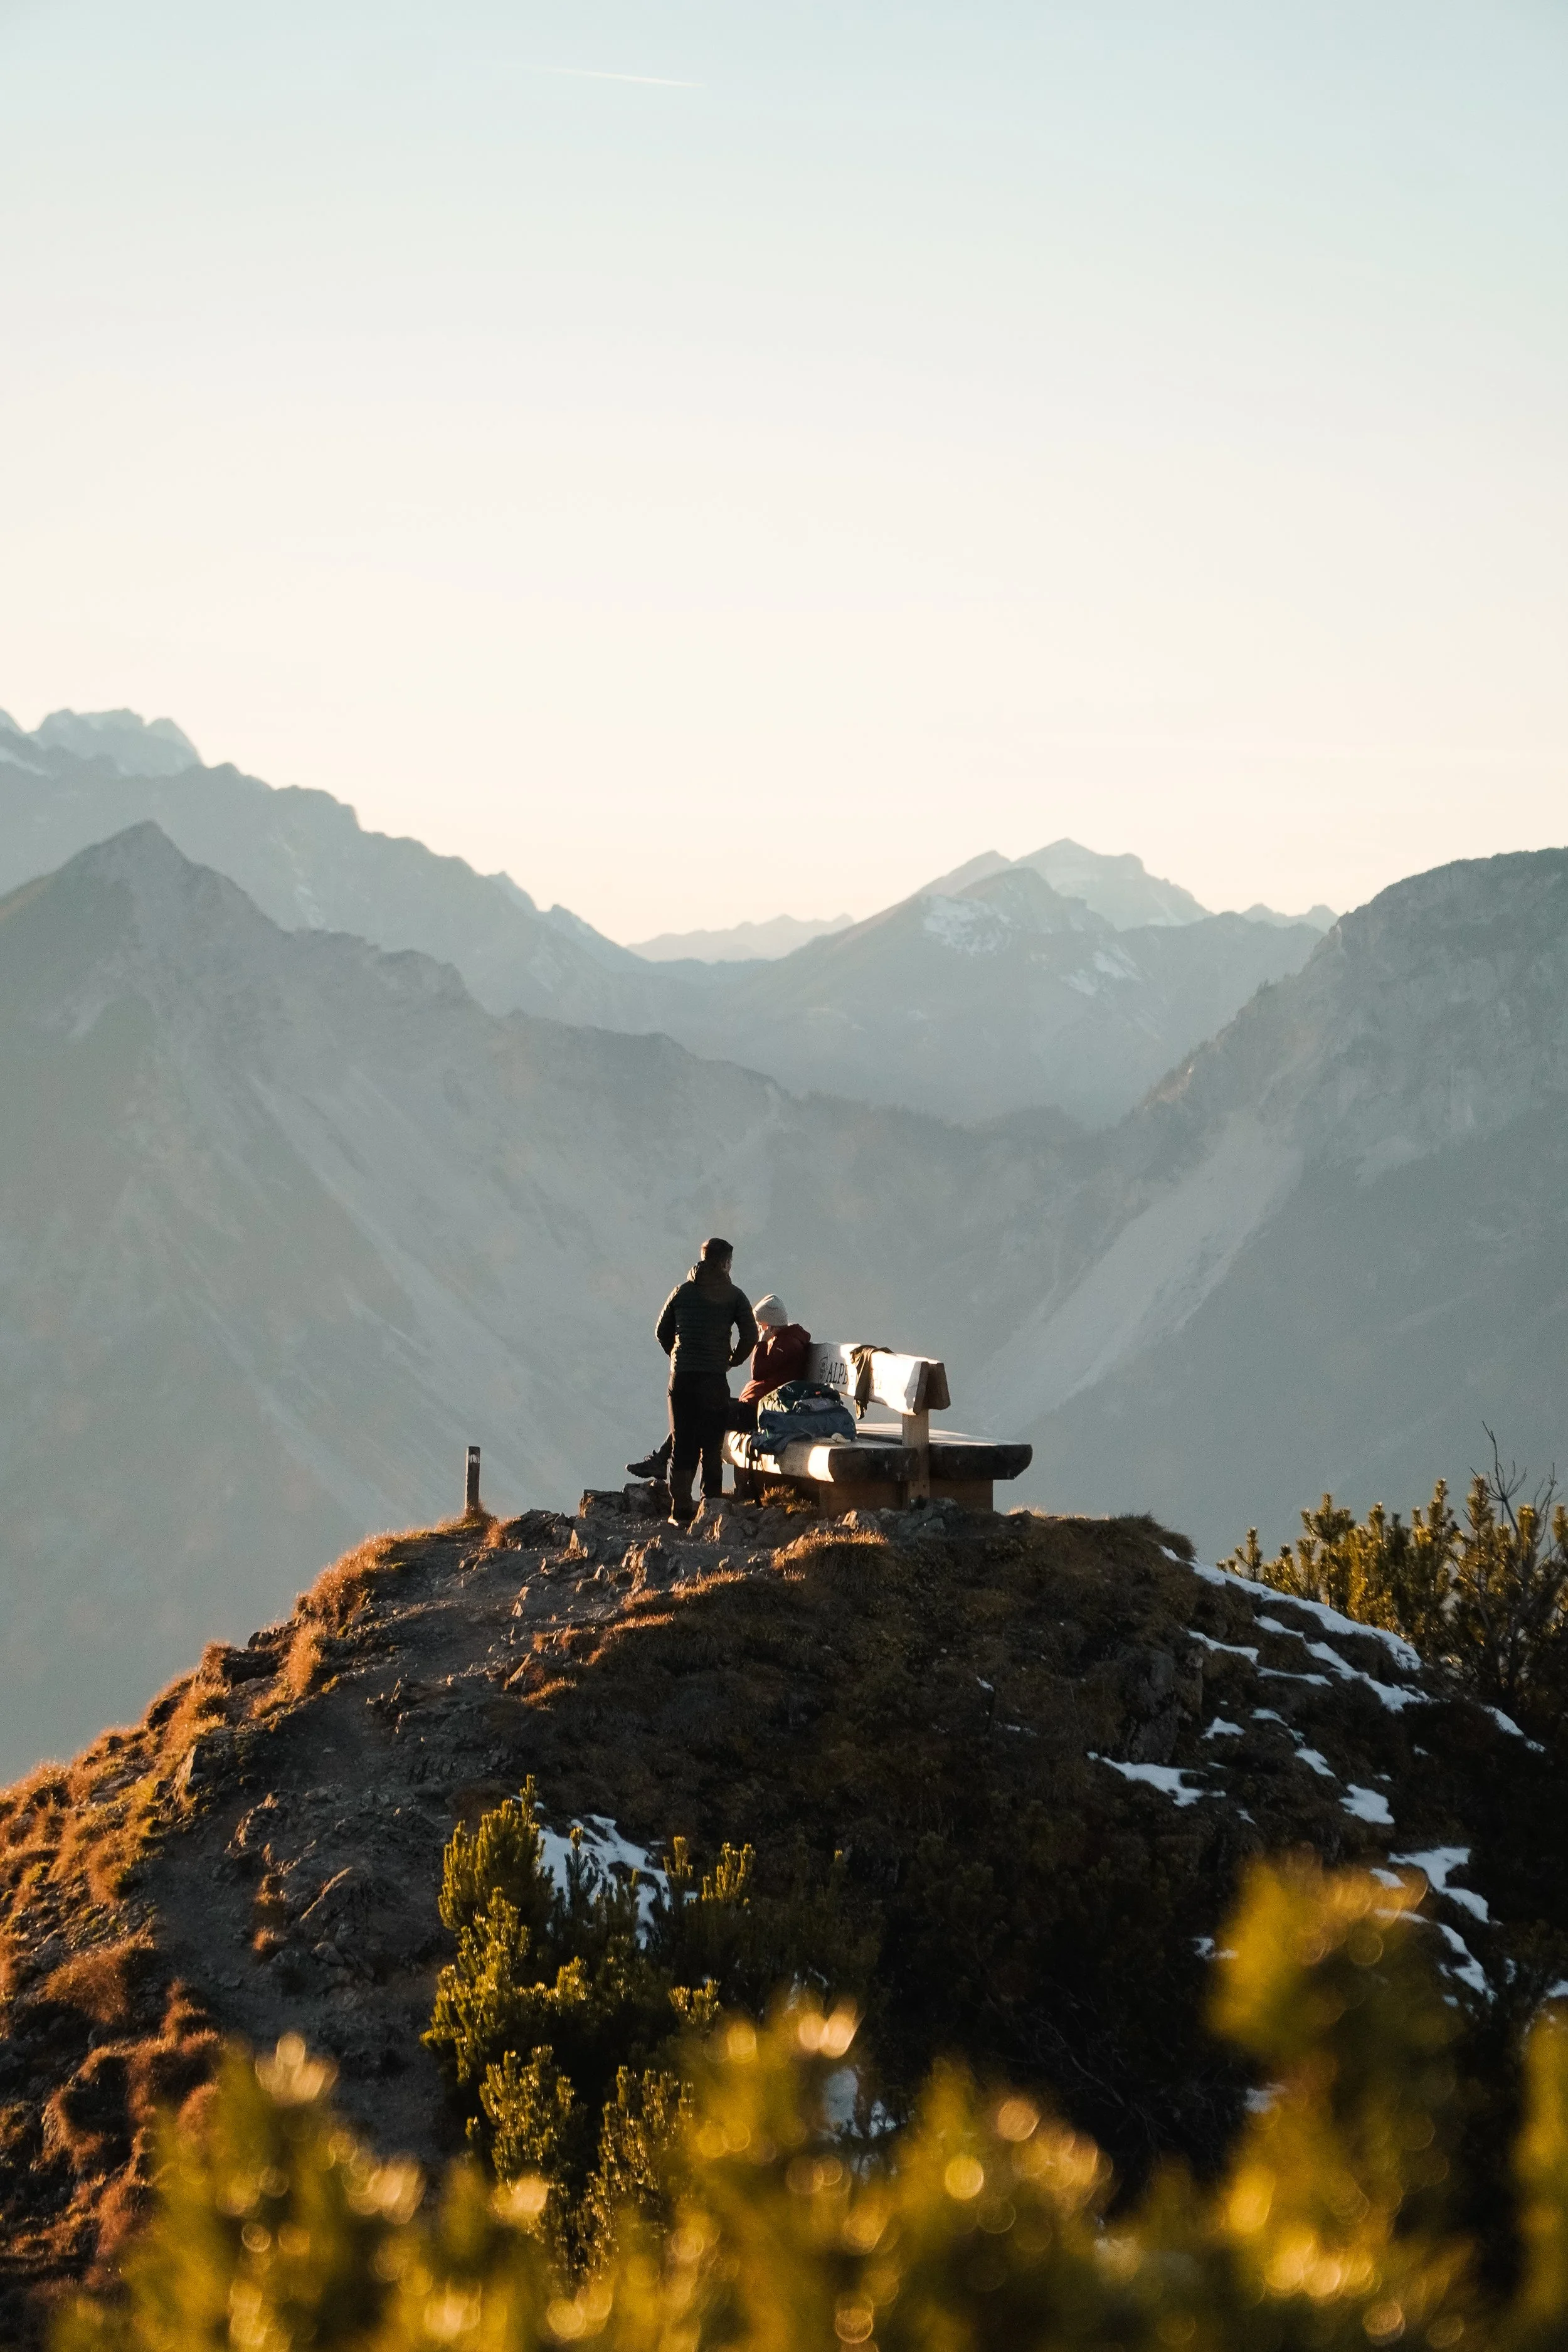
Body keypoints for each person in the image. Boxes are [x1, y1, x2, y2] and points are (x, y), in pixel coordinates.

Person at [628, 1292, 813, 1490]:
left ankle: (664, 1464)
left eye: (762, 1325)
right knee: (696, 1408)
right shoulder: (784, 1340)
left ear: (770, 1325)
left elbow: (758, 1372)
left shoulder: (787, 1344)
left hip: (757, 1413)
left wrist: (760, 1342)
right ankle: (661, 1460)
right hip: (752, 1407)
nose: (759, 1329)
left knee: (698, 1416)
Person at [652, 1238, 758, 1524]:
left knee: (682, 1442)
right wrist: (733, 1360)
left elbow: (661, 1330)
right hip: (714, 1378)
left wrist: (677, 1356)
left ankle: (681, 1511)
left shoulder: (682, 1292)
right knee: (711, 1444)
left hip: (682, 1378)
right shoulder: (735, 1296)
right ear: (724, 1263)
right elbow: (751, 1335)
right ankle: (711, 1507)